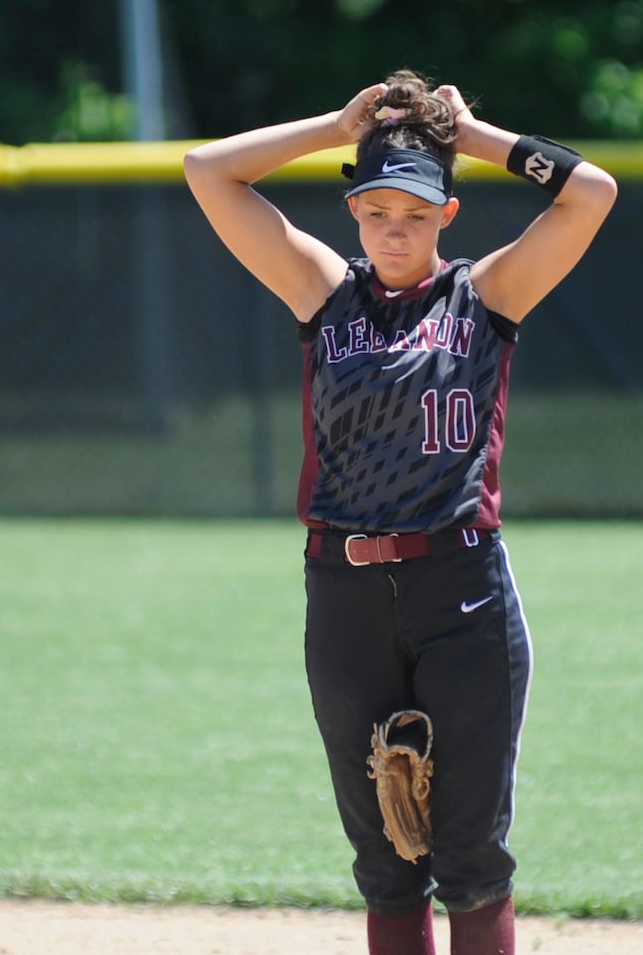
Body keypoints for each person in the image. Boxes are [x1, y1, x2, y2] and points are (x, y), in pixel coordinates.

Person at [183, 70, 617, 955]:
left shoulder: (487, 297)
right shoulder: (320, 292)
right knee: (384, 853)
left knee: (470, 854)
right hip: (342, 596)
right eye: (378, 209)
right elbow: (206, 171)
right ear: (353, 210)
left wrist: (476, 135)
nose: (394, 228)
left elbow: (592, 194)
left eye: (416, 213)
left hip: (459, 589)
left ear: (447, 216)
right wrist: (335, 125)